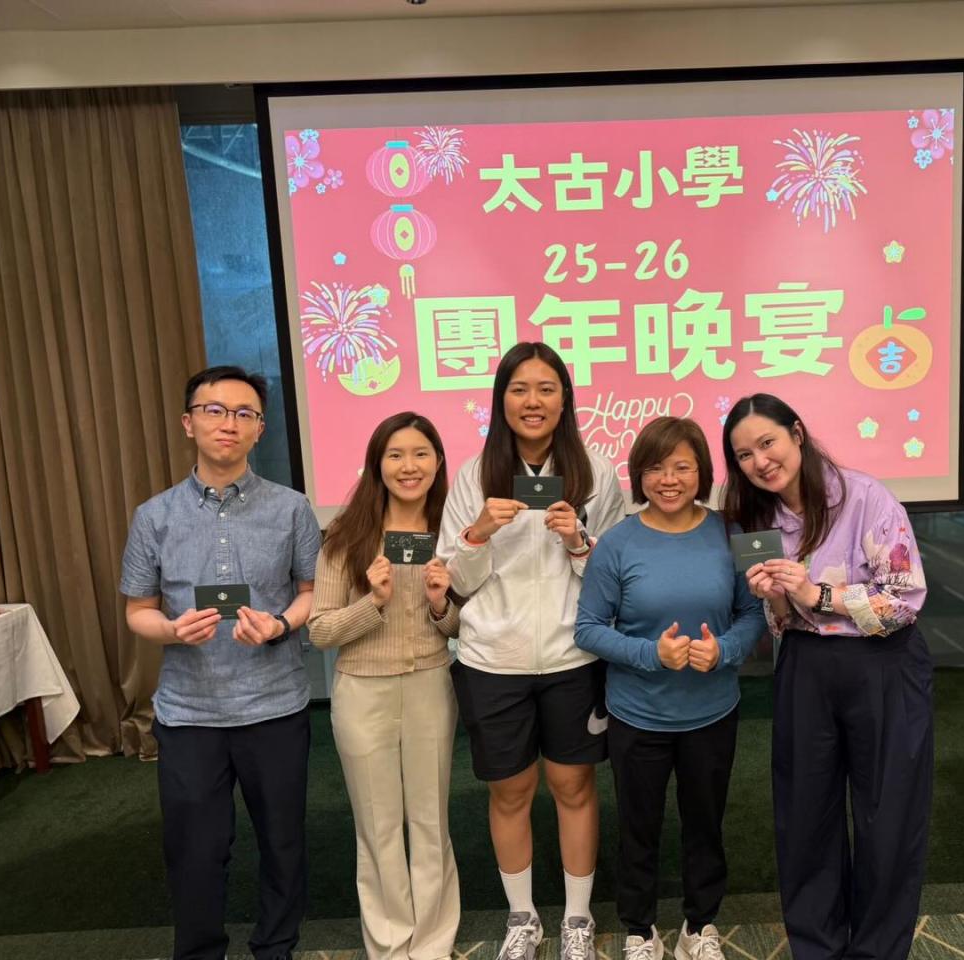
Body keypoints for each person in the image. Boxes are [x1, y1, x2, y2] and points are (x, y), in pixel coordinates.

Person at [722, 393, 932, 960]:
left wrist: (816, 593)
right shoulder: (759, 518)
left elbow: (904, 602)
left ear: (797, 433)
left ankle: (879, 950)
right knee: (805, 815)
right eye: (744, 455)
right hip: (806, 666)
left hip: (882, 664)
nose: (760, 461)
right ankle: (816, 947)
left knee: (888, 815)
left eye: (767, 443)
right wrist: (775, 598)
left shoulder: (865, 497)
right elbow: (783, 622)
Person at [120, 365, 320, 960]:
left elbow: (313, 592)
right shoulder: (153, 516)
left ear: (260, 429)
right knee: (195, 850)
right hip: (189, 714)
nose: (228, 423)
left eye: (244, 413)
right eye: (214, 410)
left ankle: (276, 948)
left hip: (275, 706)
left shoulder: (292, 509)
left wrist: (281, 624)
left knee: (283, 843)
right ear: (189, 423)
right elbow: (137, 611)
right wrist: (171, 630)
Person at [437, 341, 625, 960]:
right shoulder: (474, 475)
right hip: (493, 660)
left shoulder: (596, 472)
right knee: (510, 792)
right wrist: (479, 533)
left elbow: (616, 577)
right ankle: (523, 919)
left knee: (574, 786)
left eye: (546, 388)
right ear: (501, 400)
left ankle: (576, 919)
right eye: (519, 389)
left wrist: (579, 541)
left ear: (565, 398)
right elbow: (455, 582)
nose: (533, 401)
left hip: (574, 657)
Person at [576, 417, 763, 960]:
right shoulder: (617, 542)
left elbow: (753, 614)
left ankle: (699, 928)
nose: (669, 480)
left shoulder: (733, 532)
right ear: (639, 475)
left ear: (702, 471)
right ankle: (640, 931)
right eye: (655, 468)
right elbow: (587, 628)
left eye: (682, 466)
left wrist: (724, 649)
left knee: (705, 825)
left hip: (712, 712)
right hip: (638, 716)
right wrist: (649, 654)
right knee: (638, 828)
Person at [308, 412, 461, 960]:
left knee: (430, 820)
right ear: (377, 464)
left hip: (430, 685)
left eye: (421, 453)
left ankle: (433, 943)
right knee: (377, 826)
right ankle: (390, 944)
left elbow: (460, 627)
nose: (408, 466)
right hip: (362, 693)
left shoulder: (450, 531)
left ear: (438, 462)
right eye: (395, 455)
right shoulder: (346, 536)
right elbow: (320, 630)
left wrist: (441, 605)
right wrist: (371, 602)